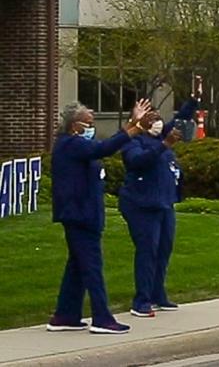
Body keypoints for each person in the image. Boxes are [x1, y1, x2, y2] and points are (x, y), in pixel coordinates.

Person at [48, 99, 147, 335]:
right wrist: (132, 126)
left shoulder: (73, 146)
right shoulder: (71, 145)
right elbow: (104, 149)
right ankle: (102, 318)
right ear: (75, 126)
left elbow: (102, 149)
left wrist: (135, 126)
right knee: (92, 267)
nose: (91, 128)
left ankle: (65, 315)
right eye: (88, 124)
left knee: (77, 266)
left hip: (83, 214)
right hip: (80, 216)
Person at [118, 96, 192, 318]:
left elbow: (181, 118)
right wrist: (164, 145)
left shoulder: (160, 137)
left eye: (159, 118)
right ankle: (141, 300)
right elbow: (138, 161)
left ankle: (158, 293)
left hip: (164, 202)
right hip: (142, 204)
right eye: (152, 119)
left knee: (164, 249)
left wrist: (193, 99)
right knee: (147, 250)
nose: (158, 123)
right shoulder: (134, 142)